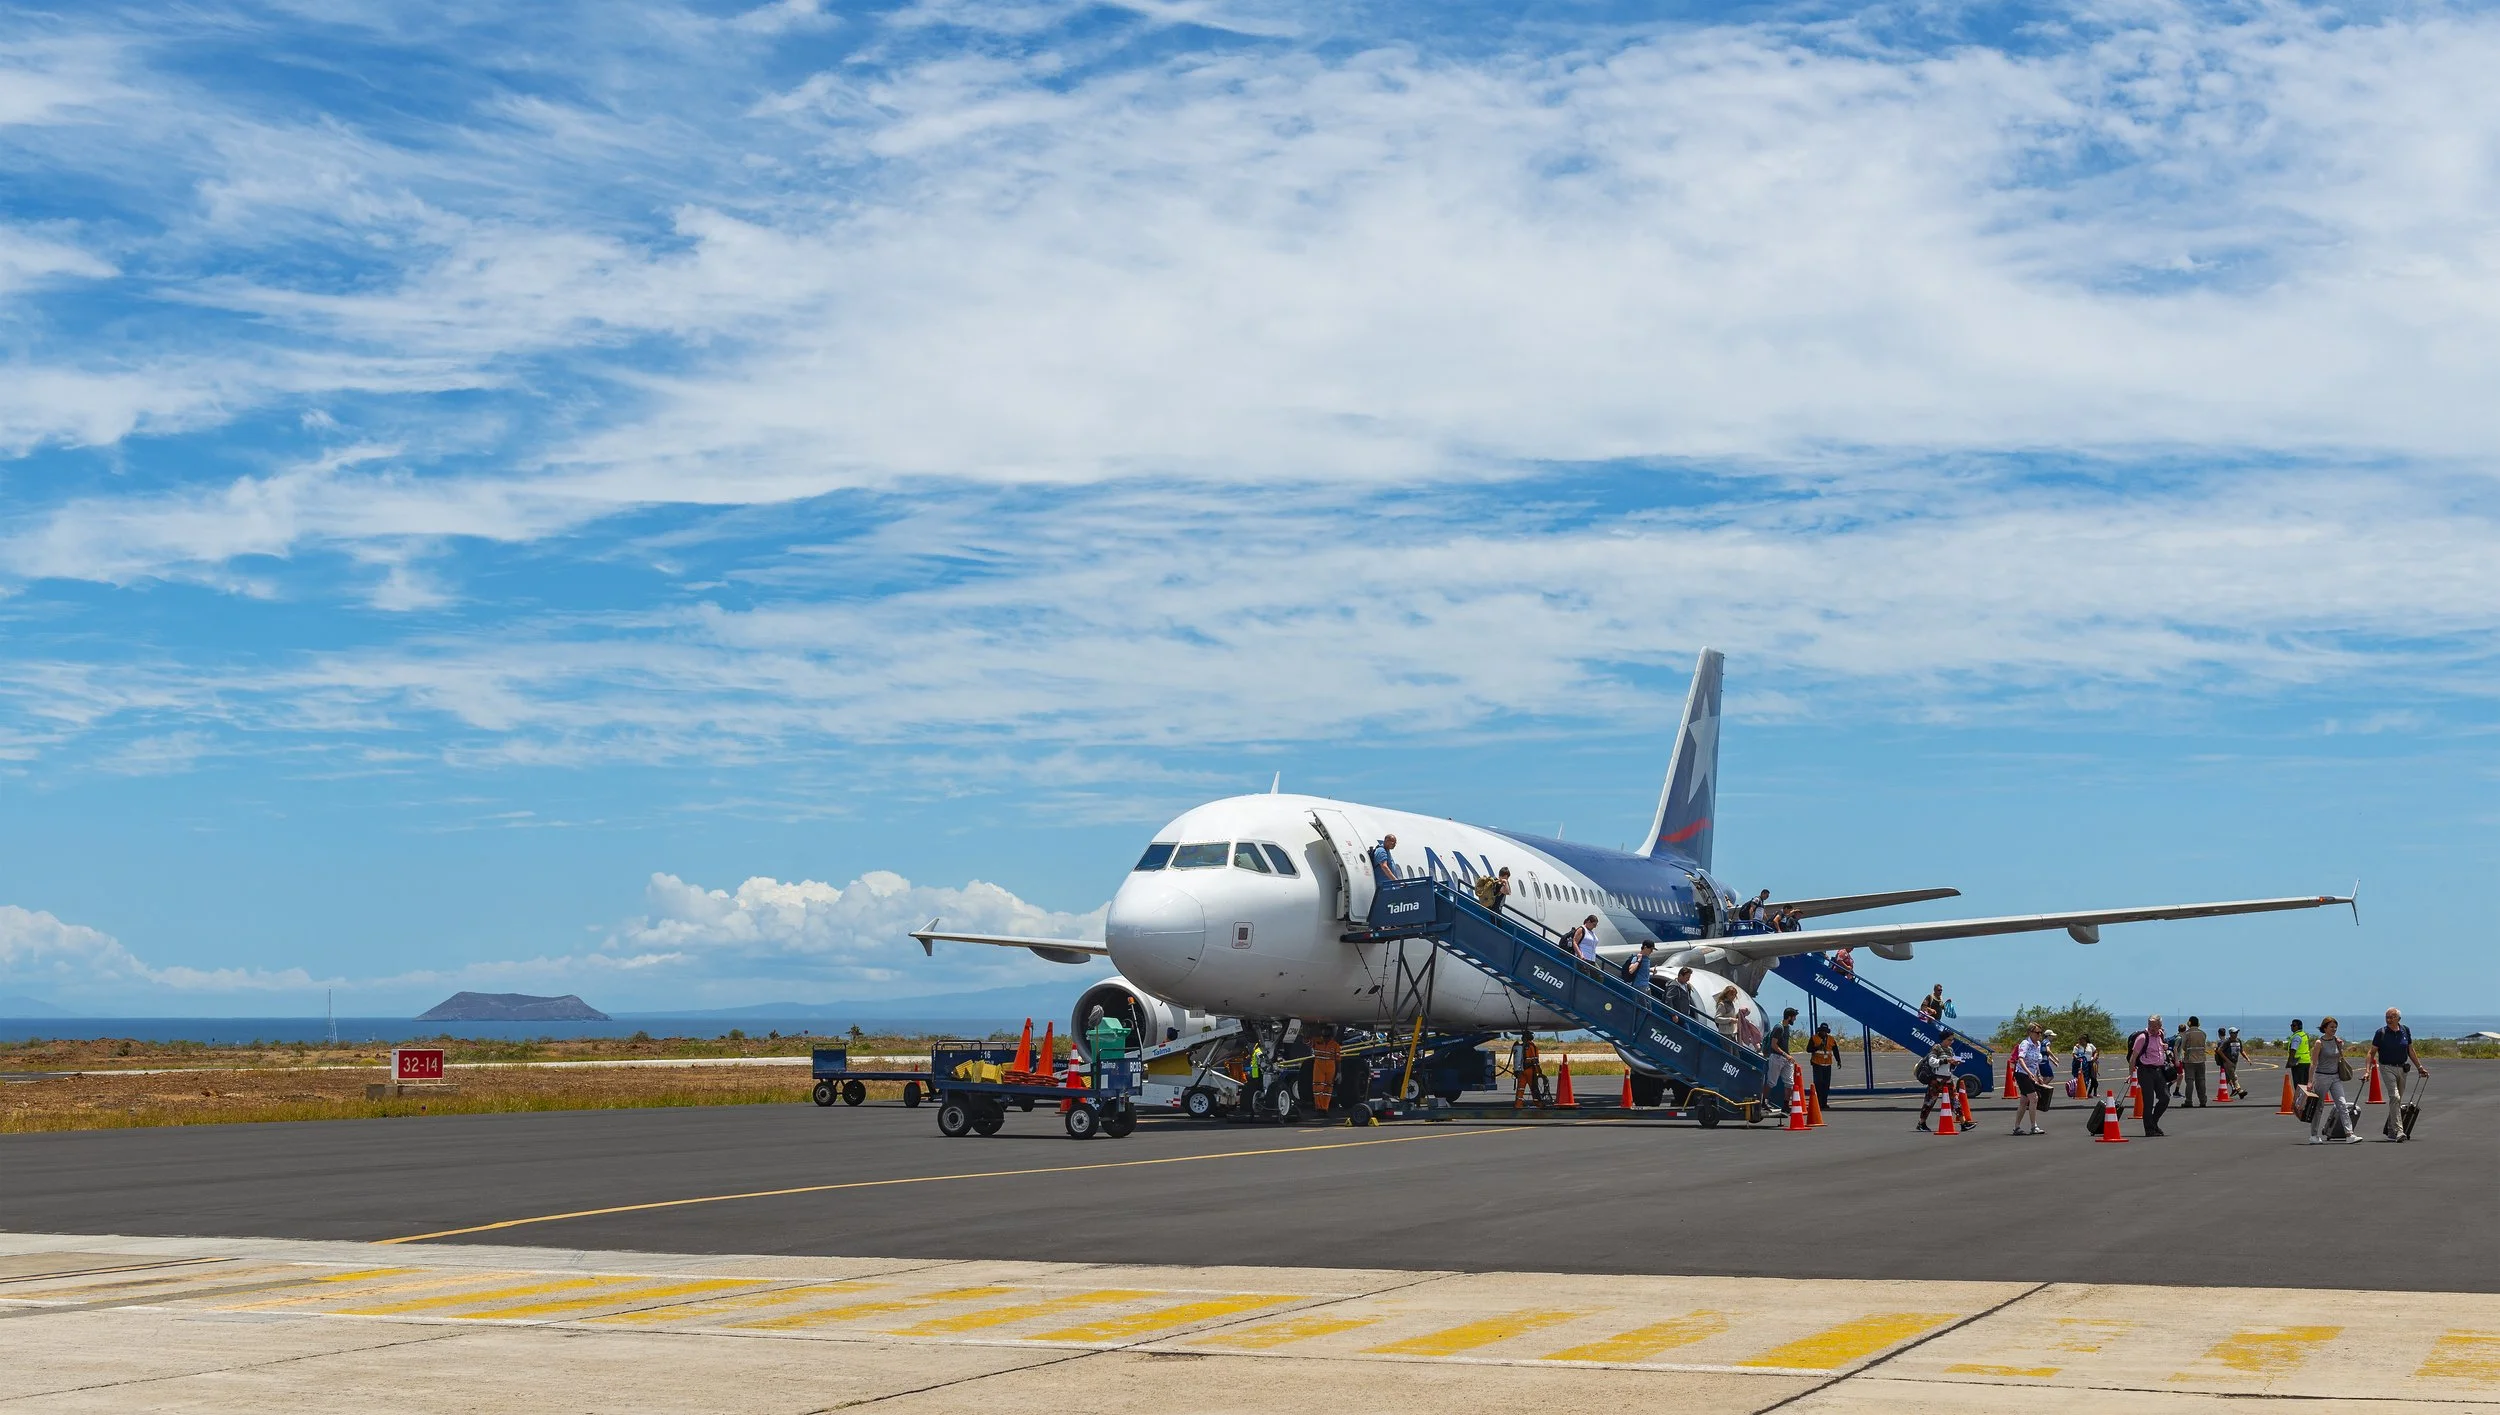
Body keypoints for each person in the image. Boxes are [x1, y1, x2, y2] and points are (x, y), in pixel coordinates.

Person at [2372, 1008, 2427, 1141]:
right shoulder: (2381, 1033)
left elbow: (2410, 1050)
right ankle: (2399, 1131)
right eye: (2387, 1017)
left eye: (2392, 1017)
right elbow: (2371, 1052)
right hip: (2387, 1067)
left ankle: (2391, 1131)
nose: (2389, 1019)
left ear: (2399, 1019)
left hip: (2402, 1068)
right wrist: (2368, 1070)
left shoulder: (2405, 1030)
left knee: (2396, 1101)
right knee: (2395, 1097)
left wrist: (2419, 1067)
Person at [2309, 1017, 2358, 1144]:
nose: (2334, 1029)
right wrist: (2310, 1081)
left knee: (2342, 1104)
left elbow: (2339, 1057)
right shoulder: (2319, 1043)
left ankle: (2349, 1134)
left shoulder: (2337, 1041)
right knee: (2319, 1106)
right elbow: (2313, 1063)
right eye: (2331, 1027)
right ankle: (2314, 1135)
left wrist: (2341, 1047)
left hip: (2335, 1077)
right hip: (2322, 1077)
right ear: (2324, 1028)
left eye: (2335, 1027)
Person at [2128, 1014, 2170, 1136]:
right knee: (2148, 1101)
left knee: (2165, 1097)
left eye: (2155, 1026)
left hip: (2158, 1070)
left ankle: (2153, 1122)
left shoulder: (2161, 1035)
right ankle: (2149, 1129)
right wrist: (2131, 1074)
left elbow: (2160, 1049)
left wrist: (2165, 1048)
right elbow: (2133, 1058)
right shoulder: (2142, 1037)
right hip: (2145, 1071)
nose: (2152, 1028)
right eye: (2150, 1025)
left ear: (2160, 1026)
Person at [2011, 1022, 2050, 1135]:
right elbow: (2020, 1059)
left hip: (2031, 1074)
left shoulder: (2038, 1044)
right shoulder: (2025, 1043)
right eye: (2037, 1032)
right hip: (2022, 1073)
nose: (2039, 1035)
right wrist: (2028, 1072)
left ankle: (2017, 1127)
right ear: (2030, 1032)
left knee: (2024, 1101)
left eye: (2040, 1033)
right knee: (2034, 1098)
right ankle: (2034, 1126)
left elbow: (2036, 1062)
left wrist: (2038, 1075)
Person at [1916, 1038, 1963, 1132]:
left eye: (1952, 1040)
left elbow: (1950, 1067)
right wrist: (1946, 1060)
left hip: (1948, 1079)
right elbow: (1932, 1062)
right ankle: (1921, 1123)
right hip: (1936, 1080)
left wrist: (1954, 1063)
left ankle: (1963, 1122)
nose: (1951, 1042)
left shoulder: (1950, 1050)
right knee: (1930, 1101)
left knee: (1955, 1100)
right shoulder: (1936, 1048)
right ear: (1944, 1039)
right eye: (1949, 1040)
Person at [1766, 1007, 1799, 1110]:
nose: (1795, 1019)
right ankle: (1764, 1101)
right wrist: (1786, 1055)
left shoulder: (1787, 1027)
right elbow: (1774, 1045)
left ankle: (1785, 1105)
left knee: (1789, 1083)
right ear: (1789, 1017)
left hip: (1786, 1058)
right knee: (1771, 1082)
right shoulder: (1779, 1028)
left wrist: (1788, 1056)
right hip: (1776, 1057)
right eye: (1794, 1017)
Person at [1807, 1022, 1840, 1106]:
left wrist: (1838, 1060)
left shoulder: (1831, 1039)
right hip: (1817, 1064)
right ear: (1819, 1031)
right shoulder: (1814, 1038)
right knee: (1818, 1083)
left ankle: (1824, 1102)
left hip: (1827, 1064)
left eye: (1825, 1031)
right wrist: (1817, 1047)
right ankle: (1818, 1102)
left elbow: (1835, 1050)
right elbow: (1808, 1049)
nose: (1824, 1033)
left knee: (1826, 1084)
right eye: (1822, 1031)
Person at [2179, 1016, 2209, 1107]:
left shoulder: (2186, 1034)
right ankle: (2203, 1101)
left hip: (2190, 1060)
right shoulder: (2203, 1033)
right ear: (2198, 1023)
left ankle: (2189, 1101)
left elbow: (2183, 1047)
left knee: (2189, 1081)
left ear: (2189, 1023)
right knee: (2201, 1080)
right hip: (2201, 1060)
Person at [2288, 1019, 2313, 1093]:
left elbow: (2293, 1049)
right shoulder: (2303, 1035)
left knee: (2298, 1084)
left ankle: (2299, 1098)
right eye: (2291, 1025)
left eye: (2293, 1025)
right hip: (2307, 1061)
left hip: (2298, 1063)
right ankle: (2306, 1098)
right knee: (2305, 1083)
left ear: (2298, 1027)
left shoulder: (2296, 1037)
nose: (2291, 1027)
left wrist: (2290, 1061)